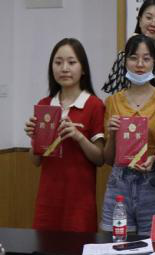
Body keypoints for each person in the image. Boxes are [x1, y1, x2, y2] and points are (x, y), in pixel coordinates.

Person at [101, 35, 155, 234]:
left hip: (154, 183)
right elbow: (108, 159)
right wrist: (112, 135)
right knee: (114, 244)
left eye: (146, 58)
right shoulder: (112, 102)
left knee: (153, 246)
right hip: (119, 183)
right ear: (125, 61)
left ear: (154, 62)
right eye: (133, 58)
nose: (139, 64)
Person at [24, 38, 105, 232]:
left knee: (78, 250)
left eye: (71, 62)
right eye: (58, 62)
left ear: (83, 69)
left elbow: (100, 158)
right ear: (52, 68)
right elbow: (35, 161)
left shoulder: (94, 105)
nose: (64, 68)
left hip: (80, 204)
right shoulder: (44, 104)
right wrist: (34, 137)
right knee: (43, 249)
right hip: (47, 201)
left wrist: (78, 137)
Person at [102, 0, 155, 94]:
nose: (153, 23)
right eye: (148, 18)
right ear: (139, 21)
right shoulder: (124, 57)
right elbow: (115, 96)